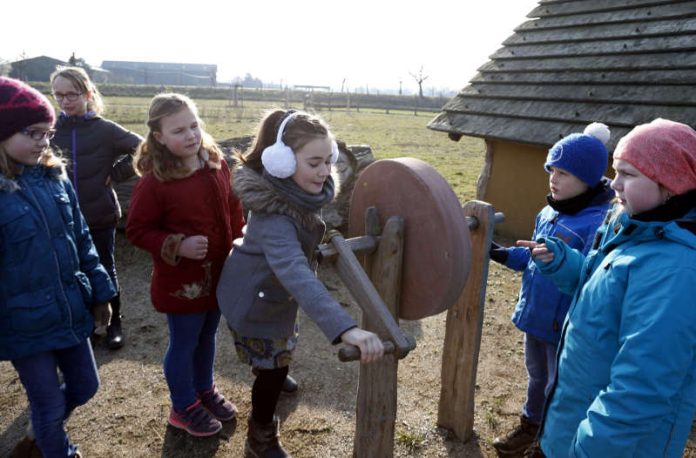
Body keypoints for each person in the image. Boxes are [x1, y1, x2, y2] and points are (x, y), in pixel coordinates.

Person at [521, 118, 696, 457]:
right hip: (570, 425)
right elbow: (597, 288)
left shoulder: (675, 270)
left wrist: (585, 450)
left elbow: (639, 391)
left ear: (671, 184)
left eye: (628, 175)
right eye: (616, 171)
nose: (613, 184)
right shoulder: (632, 228)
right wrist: (561, 262)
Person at [216, 109, 385, 458]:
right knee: (272, 367)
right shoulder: (275, 214)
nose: (325, 171)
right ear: (279, 161)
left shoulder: (296, 190)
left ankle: (272, 369)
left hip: (274, 294)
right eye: (314, 163)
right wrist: (346, 329)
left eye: (328, 161)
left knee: (281, 352)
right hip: (255, 302)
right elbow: (293, 270)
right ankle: (259, 437)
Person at [0, 77, 115, 458]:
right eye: (31, 132)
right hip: (23, 323)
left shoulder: (55, 177)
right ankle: (56, 447)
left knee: (85, 386)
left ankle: (40, 436)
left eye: (47, 133)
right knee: (48, 406)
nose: (43, 142)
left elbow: (82, 239)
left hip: (69, 309)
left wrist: (101, 293)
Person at [489, 123, 614, 457]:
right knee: (537, 376)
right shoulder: (548, 212)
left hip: (565, 327)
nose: (553, 179)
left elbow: (588, 277)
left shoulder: (597, 223)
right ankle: (530, 426)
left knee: (560, 387)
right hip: (537, 317)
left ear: (587, 179)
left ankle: (549, 441)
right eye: (552, 170)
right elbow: (531, 257)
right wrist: (501, 253)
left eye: (565, 173)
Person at [126, 93, 244, 437]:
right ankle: (182, 405)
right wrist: (177, 244)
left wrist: (240, 241)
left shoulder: (215, 162)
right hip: (183, 282)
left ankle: (203, 390)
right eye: (179, 130)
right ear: (159, 137)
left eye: (194, 125)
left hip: (220, 274)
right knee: (184, 342)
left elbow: (232, 207)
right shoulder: (155, 181)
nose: (191, 135)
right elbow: (137, 229)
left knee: (208, 336)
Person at [50, 66, 142, 350]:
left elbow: (144, 149)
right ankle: (87, 323)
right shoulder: (50, 129)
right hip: (61, 217)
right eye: (59, 95)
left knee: (105, 267)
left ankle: (115, 323)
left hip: (99, 213)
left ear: (88, 93)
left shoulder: (105, 129)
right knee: (71, 270)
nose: (65, 101)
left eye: (72, 94)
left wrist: (117, 173)